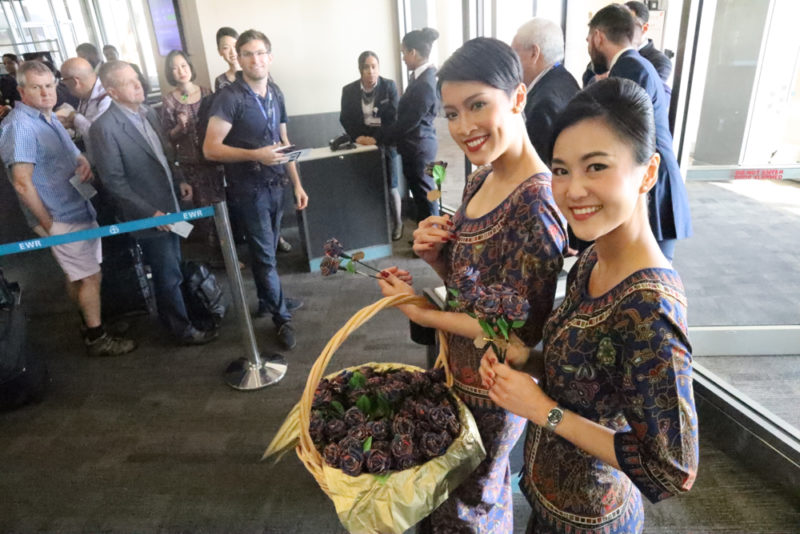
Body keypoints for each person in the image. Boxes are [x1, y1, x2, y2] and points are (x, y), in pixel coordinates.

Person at [479, 78, 699, 534]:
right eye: (561, 170)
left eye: (595, 166)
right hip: (550, 502)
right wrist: (529, 360)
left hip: (594, 520)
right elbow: (597, 377)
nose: (573, 190)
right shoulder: (596, 255)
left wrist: (542, 410)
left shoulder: (650, 307)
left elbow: (673, 470)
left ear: (649, 171)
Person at [377, 38, 566, 532]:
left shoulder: (538, 204)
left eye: (478, 106)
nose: (464, 128)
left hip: (494, 384)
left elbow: (513, 333)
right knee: (446, 489)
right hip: (454, 367)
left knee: (471, 501)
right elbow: (472, 289)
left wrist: (420, 310)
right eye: (452, 113)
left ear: (518, 98)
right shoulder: (481, 179)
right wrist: (438, 259)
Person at [0, 60, 135, 357]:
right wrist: (47, 222)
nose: (46, 92)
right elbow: (22, 183)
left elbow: (73, 154)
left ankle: (90, 324)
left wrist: (83, 162)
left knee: (80, 274)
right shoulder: (20, 127)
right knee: (89, 276)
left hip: (75, 206)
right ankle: (97, 337)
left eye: (50, 85)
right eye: (37, 87)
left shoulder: (46, 118)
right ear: (22, 91)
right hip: (58, 214)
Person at [89, 60, 218, 345]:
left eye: (137, 78)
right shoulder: (104, 128)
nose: (139, 85)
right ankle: (181, 330)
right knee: (166, 274)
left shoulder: (148, 113)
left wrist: (179, 179)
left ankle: (187, 314)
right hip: (149, 215)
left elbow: (164, 153)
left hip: (171, 205)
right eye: (128, 82)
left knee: (175, 263)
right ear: (111, 91)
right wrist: (153, 214)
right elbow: (115, 183)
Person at [203, 30, 308, 350]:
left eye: (261, 53)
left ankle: (268, 300)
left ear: (270, 57)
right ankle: (280, 317)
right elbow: (210, 149)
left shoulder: (275, 92)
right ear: (238, 58)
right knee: (264, 254)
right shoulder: (229, 97)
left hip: (276, 183)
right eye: (247, 53)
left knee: (269, 252)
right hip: (248, 188)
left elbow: (283, 142)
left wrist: (297, 183)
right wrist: (255, 155)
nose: (255, 59)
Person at [587, 3, 690, 261]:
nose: (588, 46)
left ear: (598, 36)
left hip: (654, 189)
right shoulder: (635, 65)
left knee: (651, 276)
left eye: (588, 39)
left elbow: (622, 136)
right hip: (653, 182)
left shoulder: (630, 69)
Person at [361, 27, 440, 222]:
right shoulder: (420, 78)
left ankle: (434, 239)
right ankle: (427, 234)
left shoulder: (425, 82)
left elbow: (406, 123)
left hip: (420, 148)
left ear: (413, 52)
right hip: (416, 147)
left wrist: (376, 139)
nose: (403, 57)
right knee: (423, 194)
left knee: (426, 196)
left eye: (404, 52)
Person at [160, 50, 224, 262]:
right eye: (175, 68)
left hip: (214, 159)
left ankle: (227, 250)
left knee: (221, 204)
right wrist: (180, 127)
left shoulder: (207, 92)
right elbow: (168, 138)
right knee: (203, 210)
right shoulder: (169, 101)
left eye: (184, 66)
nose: (181, 71)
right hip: (190, 163)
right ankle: (216, 254)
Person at [339, 51, 402, 240]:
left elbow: (393, 119)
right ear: (360, 69)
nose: (370, 71)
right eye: (366, 67)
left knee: (391, 186)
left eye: (374, 66)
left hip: (384, 143)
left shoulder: (389, 86)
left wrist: (376, 139)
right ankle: (373, 226)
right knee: (366, 186)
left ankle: (398, 222)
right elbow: (345, 118)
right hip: (361, 143)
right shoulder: (349, 90)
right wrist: (359, 137)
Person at [59, 57, 112, 159]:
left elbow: (98, 134)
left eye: (64, 80)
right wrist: (72, 123)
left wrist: (75, 117)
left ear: (75, 81)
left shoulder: (107, 97)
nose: (64, 85)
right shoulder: (85, 96)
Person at [626, 1, 672, 83]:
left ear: (644, 28)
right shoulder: (611, 53)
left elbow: (647, 93)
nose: (620, 31)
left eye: (627, 25)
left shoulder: (660, 61)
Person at [214, 27, 240, 91]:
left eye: (235, 46)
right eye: (226, 48)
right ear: (219, 51)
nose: (233, 52)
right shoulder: (220, 81)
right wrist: (184, 97)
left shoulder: (255, 71)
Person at [0, 54, 20, 119]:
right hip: (11, 112)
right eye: (5, 64)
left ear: (17, 62)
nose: (7, 66)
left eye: (9, 63)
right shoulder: (3, 81)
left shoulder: (26, 77)